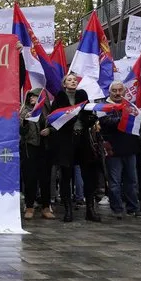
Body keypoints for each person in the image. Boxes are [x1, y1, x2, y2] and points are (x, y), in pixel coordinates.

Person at [49, 73, 101, 222]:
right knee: (66, 176)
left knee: (88, 175)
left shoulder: (82, 95)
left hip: (83, 139)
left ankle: (90, 210)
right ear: (64, 84)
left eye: (74, 80)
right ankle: (68, 211)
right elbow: (54, 118)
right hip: (66, 141)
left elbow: (89, 113)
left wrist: (91, 119)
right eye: (69, 80)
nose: (73, 81)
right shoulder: (60, 97)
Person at [99, 81, 141, 219]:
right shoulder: (104, 106)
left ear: (124, 92)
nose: (118, 93)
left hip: (130, 148)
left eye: (120, 90)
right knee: (114, 182)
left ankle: (133, 207)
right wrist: (124, 116)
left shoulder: (129, 105)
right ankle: (117, 209)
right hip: (113, 149)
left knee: (132, 181)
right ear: (110, 92)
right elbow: (106, 122)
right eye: (114, 90)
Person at [19, 88, 54, 220]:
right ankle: (29, 206)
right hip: (30, 147)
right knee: (30, 178)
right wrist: (25, 121)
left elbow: (55, 125)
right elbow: (21, 132)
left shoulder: (47, 112)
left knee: (45, 179)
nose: (33, 99)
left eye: (36, 97)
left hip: (44, 147)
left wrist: (49, 130)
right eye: (31, 97)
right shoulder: (24, 111)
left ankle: (46, 207)